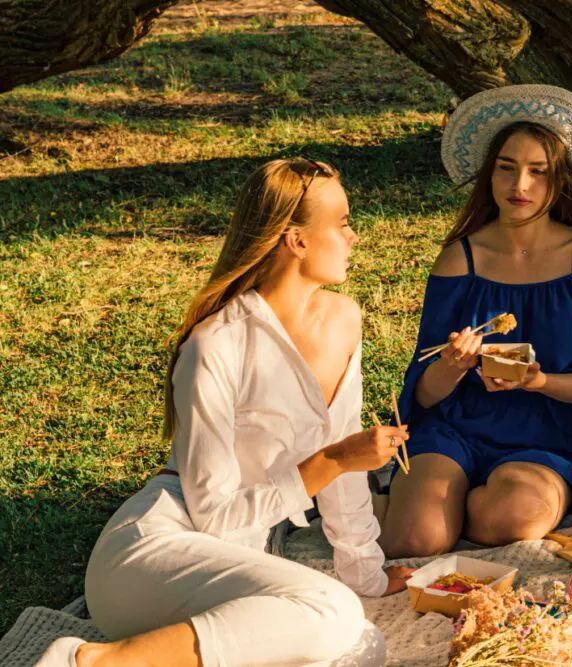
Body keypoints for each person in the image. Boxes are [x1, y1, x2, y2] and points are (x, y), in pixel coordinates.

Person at [38, 158, 414, 667]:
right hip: (156, 550)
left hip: (234, 560)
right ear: (296, 240)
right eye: (343, 223)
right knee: (331, 611)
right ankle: (87, 660)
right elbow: (214, 517)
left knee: (363, 648)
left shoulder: (344, 319)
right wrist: (331, 462)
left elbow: (346, 469)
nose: (354, 237)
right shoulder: (215, 345)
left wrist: (365, 573)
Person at [379, 85, 572, 558]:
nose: (520, 186)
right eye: (506, 168)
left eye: (538, 171)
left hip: (546, 437)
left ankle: (429, 506)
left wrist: (538, 381)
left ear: (561, 179)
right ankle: (419, 509)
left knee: (510, 519)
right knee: (415, 541)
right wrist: (451, 363)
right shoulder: (460, 259)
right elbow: (424, 391)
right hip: (455, 428)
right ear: (489, 175)